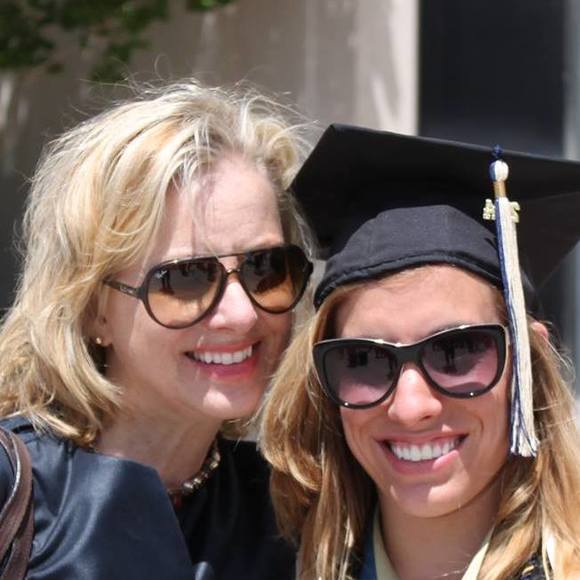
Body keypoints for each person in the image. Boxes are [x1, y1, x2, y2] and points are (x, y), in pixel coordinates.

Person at [0, 80, 314, 578]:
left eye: (266, 267)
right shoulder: (16, 490)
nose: (243, 314)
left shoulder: (289, 506)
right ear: (91, 309)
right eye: (185, 278)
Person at [261, 125, 580, 579]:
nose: (411, 408)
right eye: (363, 359)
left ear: (528, 362)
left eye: (457, 350)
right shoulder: (272, 565)